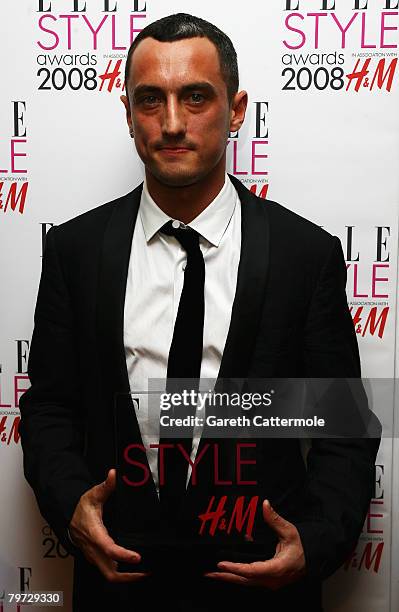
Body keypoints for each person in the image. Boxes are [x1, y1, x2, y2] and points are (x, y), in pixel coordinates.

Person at [19, 12, 380, 612]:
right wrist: (73, 509)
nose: (172, 124)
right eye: (150, 100)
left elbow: (342, 427)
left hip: (260, 586)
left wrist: (312, 543)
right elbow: (50, 405)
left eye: (195, 97)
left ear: (236, 110)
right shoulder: (75, 251)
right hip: (120, 582)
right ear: (129, 113)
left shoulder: (305, 255)